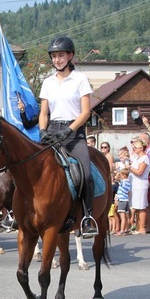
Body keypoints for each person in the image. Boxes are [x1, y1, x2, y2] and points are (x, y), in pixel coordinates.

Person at [38, 34, 97, 236]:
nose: (57, 60)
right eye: (54, 56)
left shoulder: (80, 79)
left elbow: (85, 112)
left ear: (70, 56)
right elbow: (43, 112)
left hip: (73, 133)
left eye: (61, 56)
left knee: (86, 174)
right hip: (51, 131)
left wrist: (69, 129)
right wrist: (43, 130)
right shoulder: (47, 82)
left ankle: (88, 217)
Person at [127, 138, 150, 235]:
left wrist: (130, 167)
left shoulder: (144, 158)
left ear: (141, 148)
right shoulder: (137, 157)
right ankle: (137, 226)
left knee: (141, 206)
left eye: (135, 147)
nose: (134, 149)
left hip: (140, 183)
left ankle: (142, 228)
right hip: (134, 183)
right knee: (135, 205)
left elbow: (140, 172)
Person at [114, 168, 131, 236]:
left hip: (122, 200)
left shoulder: (123, 182)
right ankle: (126, 229)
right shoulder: (128, 182)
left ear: (123, 175)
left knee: (122, 217)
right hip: (126, 199)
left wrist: (118, 173)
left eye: (121, 175)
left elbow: (115, 178)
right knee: (126, 216)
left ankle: (122, 230)